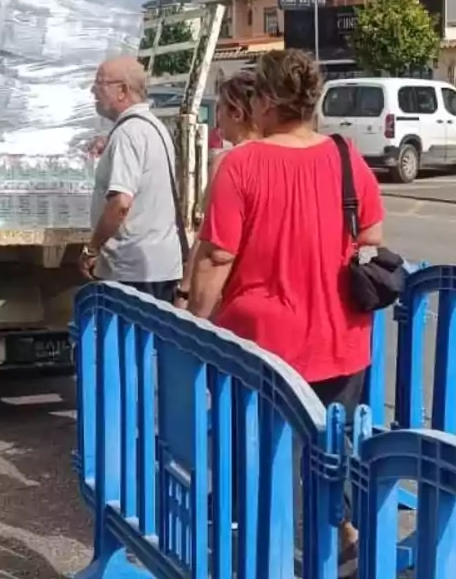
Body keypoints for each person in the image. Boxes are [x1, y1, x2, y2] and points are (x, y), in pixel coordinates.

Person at [187, 50, 385, 577]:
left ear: (266, 100)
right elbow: (372, 240)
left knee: (256, 457)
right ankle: (335, 541)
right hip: (341, 338)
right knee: (328, 453)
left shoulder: (242, 164)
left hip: (261, 347)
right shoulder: (347, 157)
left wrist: (193, 322)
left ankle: (263, 555)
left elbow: (215, 257)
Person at [80, 56, 184, 302]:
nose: (93, 90)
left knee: (130, 339)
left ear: (122, 91)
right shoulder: (152, 127)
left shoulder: (128, 133)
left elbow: (120, 204)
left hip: (132, 271)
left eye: (100, 83)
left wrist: (92, 248)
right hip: (157, 267)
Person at [177, 70, 259, 307]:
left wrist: (185, 292)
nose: (216, 119)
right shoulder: (282, 156)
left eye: (221, 109)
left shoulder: (229, 162)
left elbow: (210, 240)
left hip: (233, 290)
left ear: (237, 113)